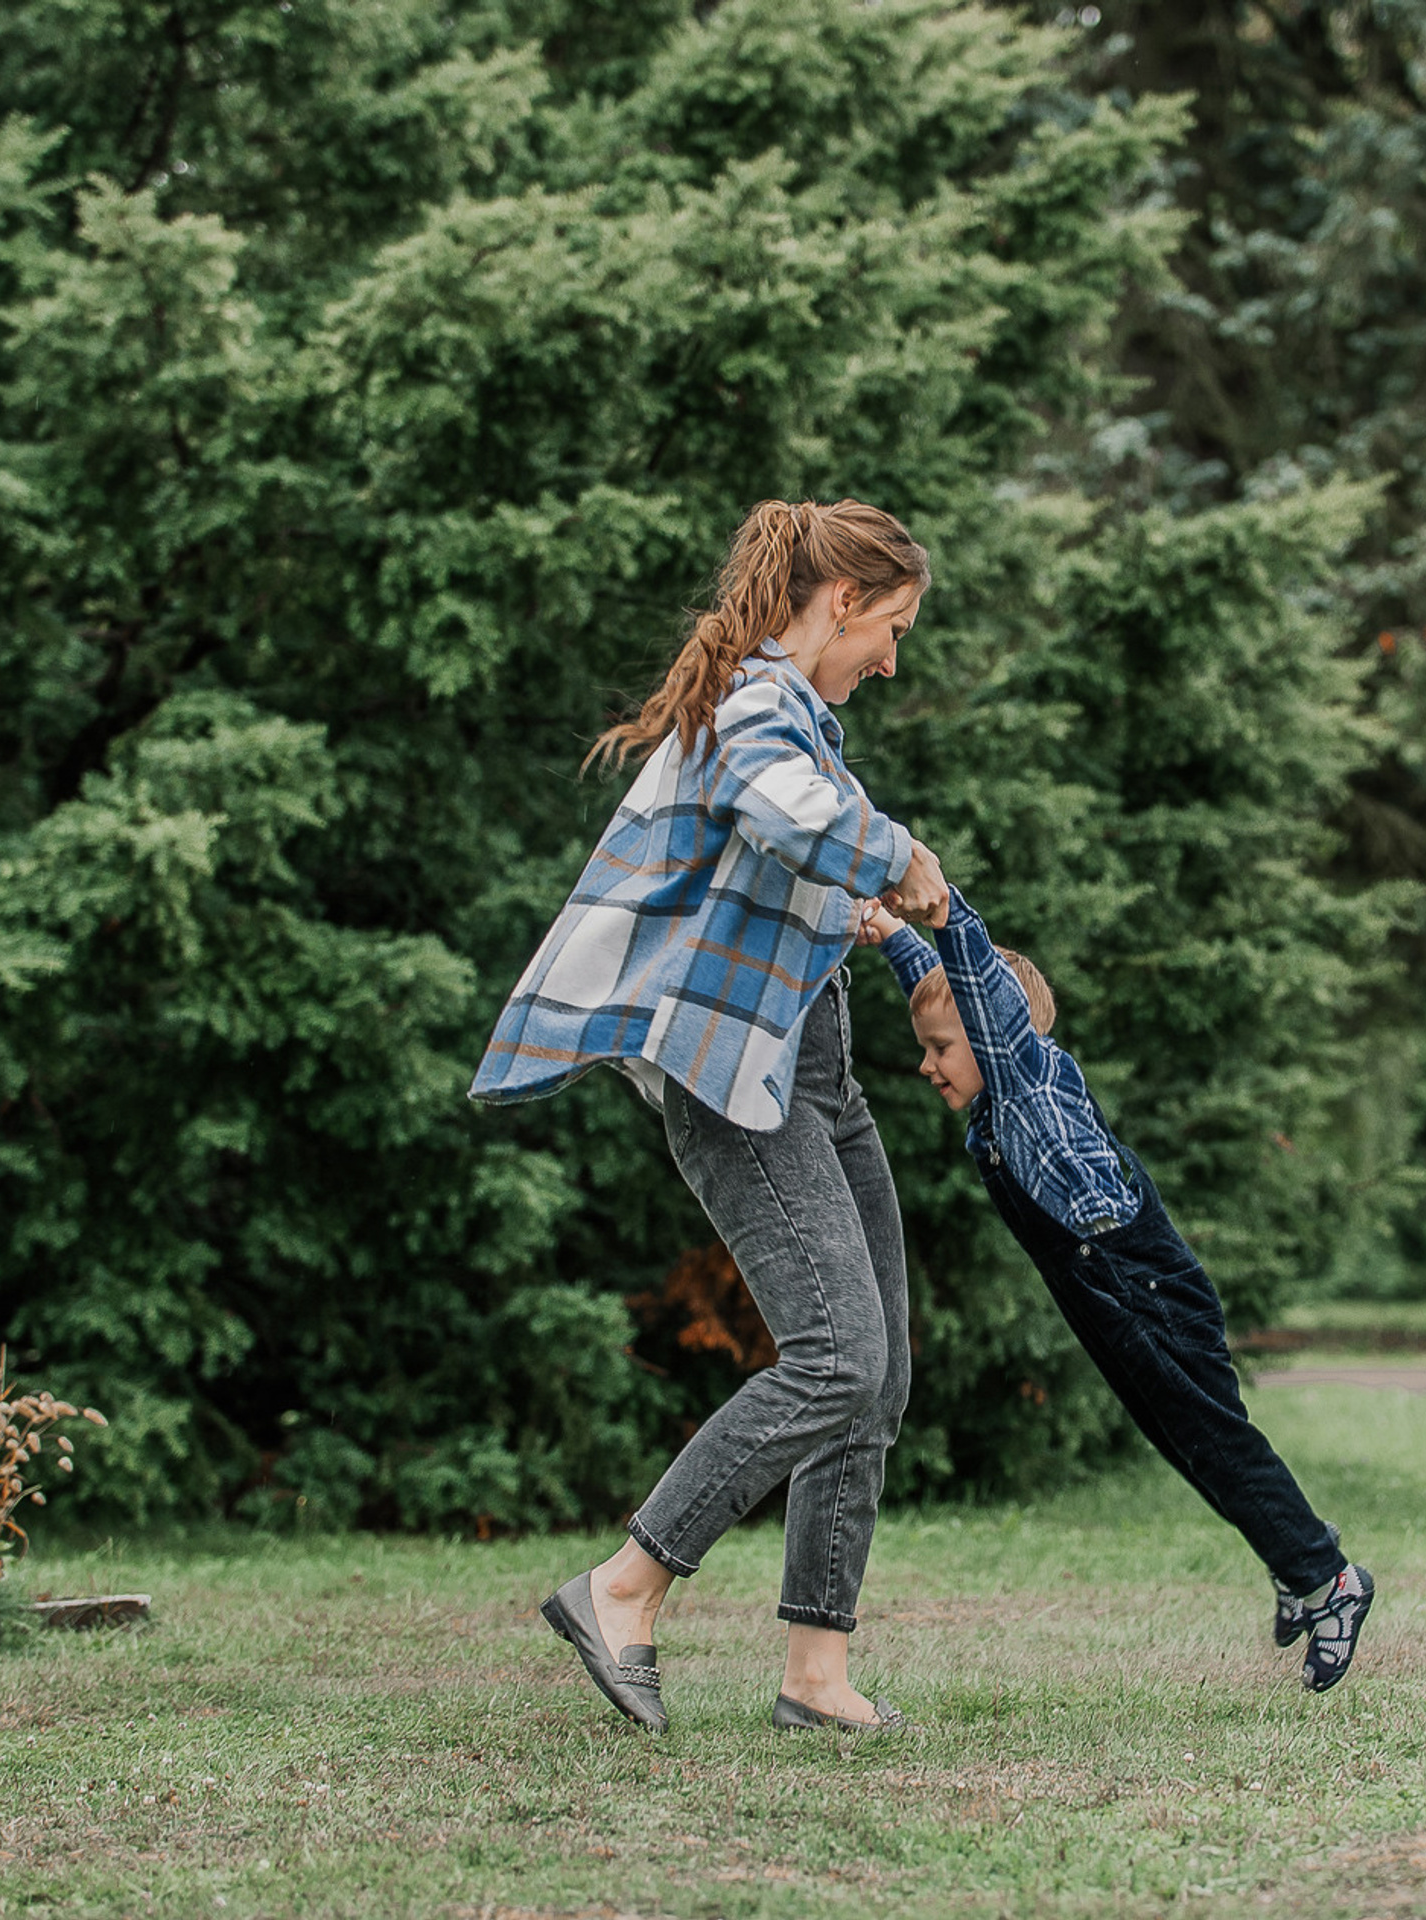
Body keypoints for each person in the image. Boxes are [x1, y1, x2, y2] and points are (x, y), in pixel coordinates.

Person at [471, 499, 949, 1734]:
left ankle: (815, 1671)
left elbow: (766, 860)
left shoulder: (795, 717)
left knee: (878, 1367)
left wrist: (860, 915)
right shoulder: (756, 699)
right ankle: (622, 1588)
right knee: (837, 1352)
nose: (893, 658)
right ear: (841, 602)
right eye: (889, 627)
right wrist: (897, 856)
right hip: (741, 1081)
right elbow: (787, 812)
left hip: (816, 1071)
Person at [860, 887, 1376, 1692]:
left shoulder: (1024, 1082)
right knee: (1184, 1443)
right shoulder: (1000, 1098)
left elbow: (976, 994)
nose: (926, 1065)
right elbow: (949, 992)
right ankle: (1293, 1557)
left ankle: (1329, 1580)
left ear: (994, 1038)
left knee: (1214, 1438)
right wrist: (894, 934)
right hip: (1110, 1298)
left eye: (939, 1049)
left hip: (1146, 1289)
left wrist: (942, 912)